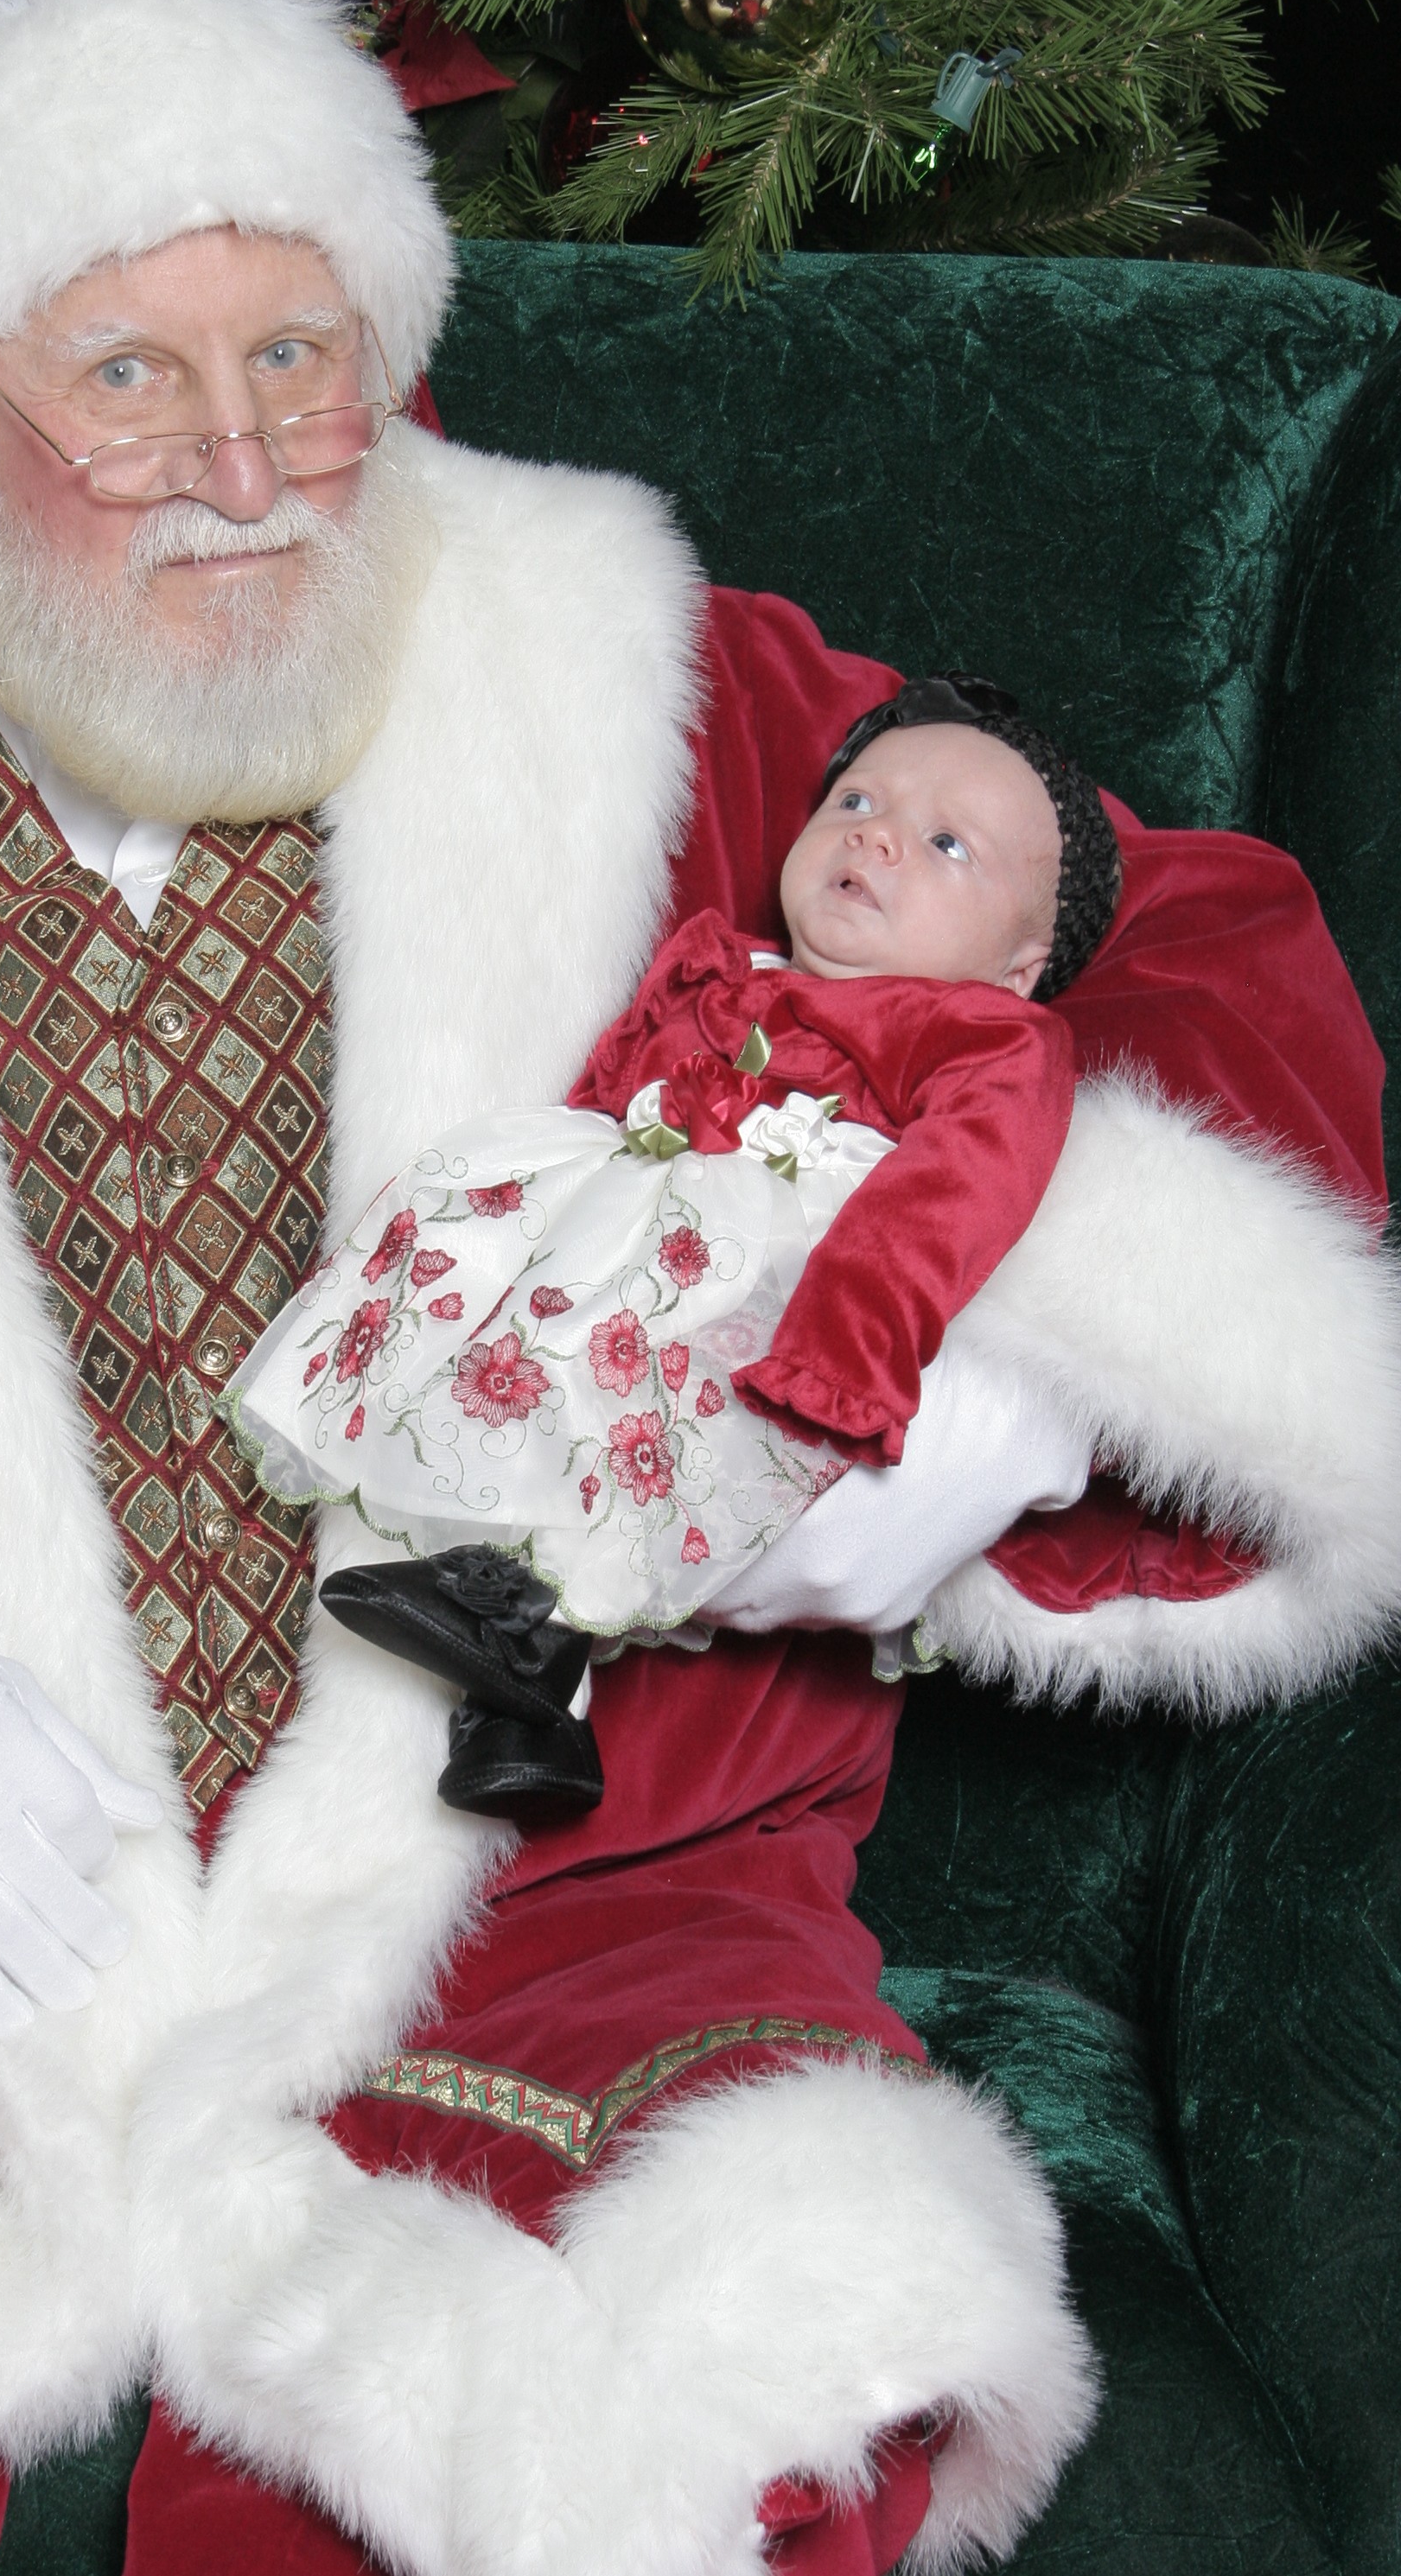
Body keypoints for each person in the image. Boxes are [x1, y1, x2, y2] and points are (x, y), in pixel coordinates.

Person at [0, 0, 1395, 2576]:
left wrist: (1004, 1393)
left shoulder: (659, 694)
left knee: (577, 2538)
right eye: (125, 374)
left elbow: (1174, 936)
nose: (237, 459)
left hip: (560, 1882)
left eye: (298, 354)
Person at [230, 677, 1118, 1816]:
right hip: (639, 1218)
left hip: (782, 1260)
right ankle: (528, 1691)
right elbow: (609, 1093)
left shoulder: (989, 1036)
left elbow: (960, 1190)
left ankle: (526, 1651)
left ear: (1018, 963)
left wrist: (851, 1340)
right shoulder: (719, 967)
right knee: (511, 1346)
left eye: (947, 844)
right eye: (857, 799)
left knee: (647, 1429)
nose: (878, 835)